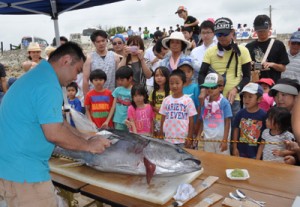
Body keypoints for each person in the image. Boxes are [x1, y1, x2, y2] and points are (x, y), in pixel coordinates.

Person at [0, 42, 111, 207]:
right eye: (77, 71)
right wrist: (88, 146)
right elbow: (53, 133)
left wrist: (86, 135)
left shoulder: (38, 76)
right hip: (25, 173)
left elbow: (58, 122)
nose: (76, 78)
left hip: (9, 166)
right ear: (66, 61)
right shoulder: (48, 84)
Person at [198, 17, 251, 120]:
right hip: (213, 97)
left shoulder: (243, 51)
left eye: (225, 34)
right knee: (212, 131)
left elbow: (247, 77)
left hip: (233, 98)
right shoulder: (210, 51)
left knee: (231, 131)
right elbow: (201, 74)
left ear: (232, 33)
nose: (222, 37)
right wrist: (203, 89)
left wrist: (236, 89)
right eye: (218, 34)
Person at [159, 69, 197, 148]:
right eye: (171, 83)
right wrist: (161, 132)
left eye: (177, 83)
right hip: (168, 139)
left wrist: (190, 137)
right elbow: (163, 117)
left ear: (183, 83)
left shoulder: (188, 100)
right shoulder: (166, 100)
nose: (174, 86)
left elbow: (191, 120)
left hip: (182, 139)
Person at [246, 14, 289, 83]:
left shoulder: (278, 45)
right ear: (255, 29)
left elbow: (283, 68)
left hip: (273, 86)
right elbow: (245, 68)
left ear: (269, 27)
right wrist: (250, 65)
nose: (261, 33)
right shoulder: (248, 47)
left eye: (264, 30)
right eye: (259, 30)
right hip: (254, 86)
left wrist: (272, 64)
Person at [198, 73, 232, 155]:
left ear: (221, 87)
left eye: (213, 87)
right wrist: (199, 134)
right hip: (208, 137)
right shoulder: (205, 101)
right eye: (207, 87)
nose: (209, 89)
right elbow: (203, 119)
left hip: (221, 138)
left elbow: (227, 121)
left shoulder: (224, 102)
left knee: (222, 161)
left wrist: (225, 140)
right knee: (209, 159)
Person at [232, 83, 267, 159]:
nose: (246, 100)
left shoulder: (264, 115)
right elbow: (236, 129)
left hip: (255, 153)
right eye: (244, 97)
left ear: (259, 99)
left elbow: (265, 135)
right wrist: (234, 147)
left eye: (250, 97)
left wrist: (259, 154)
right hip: (241, 151)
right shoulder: (240, 113)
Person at [83, 30, 121, 95]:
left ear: (106, 40)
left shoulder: (115, 57)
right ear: (93, 42)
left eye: (103, 41)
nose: (101, 43)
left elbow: (118, 78)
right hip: (95, 97)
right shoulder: (89, 58)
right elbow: (85, 80)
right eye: (98, 42)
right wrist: (86, 98)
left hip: (111, 95)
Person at [103, 66, 133, 131]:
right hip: (118, 120)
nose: (119, 82)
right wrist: (107, 121)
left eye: (122, 80)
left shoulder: (134, 91)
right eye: (118, 80)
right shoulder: (117, 90)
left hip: (130, 121)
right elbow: (113, 107)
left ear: (130, 78)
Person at [178, 58, 200, 137]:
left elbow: (198, 107)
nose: (186, 74)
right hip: (178, 126)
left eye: (188, 71)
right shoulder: (176, 87)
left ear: (192, 72)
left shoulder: (195, 87)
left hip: (191, 125)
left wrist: (197, 124)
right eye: (183, 71)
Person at [149, 66, 170, 137]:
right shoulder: (153, 91)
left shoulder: (171, 92)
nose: (159, 78)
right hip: (156, 120)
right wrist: (154, 108)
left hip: (167, 120)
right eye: (156, 75)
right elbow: (150, 104)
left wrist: (162, 110)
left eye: (162, 75)